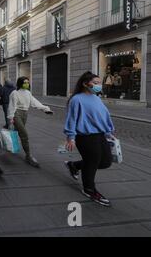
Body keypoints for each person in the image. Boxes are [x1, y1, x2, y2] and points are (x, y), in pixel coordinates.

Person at [64, 71, 115, 207]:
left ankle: (74, 165)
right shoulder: (76, 99)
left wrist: (108, 131)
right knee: (92, 162)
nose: (99, 85)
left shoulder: (96, 98)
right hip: (85, 137)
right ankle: (89, 189)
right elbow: (71, 119)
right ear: (85, 84)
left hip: (100, 135)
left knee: (105, 162)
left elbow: (105, 115)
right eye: (95, 83)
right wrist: (71, 137)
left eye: (100, 83)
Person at [7, 77, 53, 168]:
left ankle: (10, 143)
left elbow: (35, 102)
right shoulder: (14, 93)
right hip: (17, 113)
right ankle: (28, 156)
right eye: (25, 82)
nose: (27, 84)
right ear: (20, 83)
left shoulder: (28, 93)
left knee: (17, 132)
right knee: (24, 134)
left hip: (25, 114)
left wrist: (45, 109)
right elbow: (12, 106)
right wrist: (11, 117)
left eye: (28, 82)